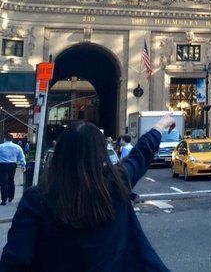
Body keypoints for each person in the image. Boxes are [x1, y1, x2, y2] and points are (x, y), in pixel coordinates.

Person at [0, 115, 175, 271]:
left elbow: (15, 258)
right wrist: (161, 123)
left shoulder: (37, 199)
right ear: (101, 156)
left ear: (60, 155)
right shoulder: (116, 184)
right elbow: (142, 153)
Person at [0, 134, 25, 206]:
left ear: (5, 139)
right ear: (12, 139)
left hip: (2, 165)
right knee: (11, 180)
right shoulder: (17, 147)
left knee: (3, 182)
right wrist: (23, 165)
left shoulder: (1, 146)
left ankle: (4, 200)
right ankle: (11, 197)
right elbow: (21, 157)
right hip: (12, 165)